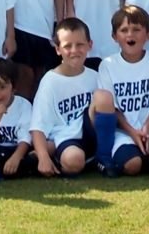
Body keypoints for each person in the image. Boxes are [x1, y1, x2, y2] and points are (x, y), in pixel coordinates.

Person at [92, 6, 149, 176]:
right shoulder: (107, 65)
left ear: (148, 34)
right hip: (124, 130)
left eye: (137, 29)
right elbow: (112, 108)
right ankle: (135, 156)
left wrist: (146, 127)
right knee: (132, 166)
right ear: (115, 36)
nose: (130, 35)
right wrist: (132, 131)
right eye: (124, 30)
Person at [30, 18, 99, 176]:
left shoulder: (96, 77)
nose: (74, 51)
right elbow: (37, 126)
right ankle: (48, 158)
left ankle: (104, 158)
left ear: (90, 45)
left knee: (103, 98)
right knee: (74, 160)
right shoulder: (50, 81)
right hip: (66, 140)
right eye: (67, 46)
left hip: (93, 136)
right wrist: (42, 158)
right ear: (58, 49)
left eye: (80, 44)